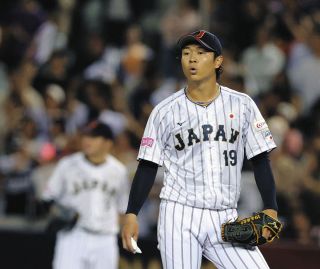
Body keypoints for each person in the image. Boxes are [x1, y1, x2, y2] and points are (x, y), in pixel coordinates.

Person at [122, 30, 280, 269]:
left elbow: (260, 159)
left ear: (218, 61)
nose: (192, 58)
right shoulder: (164, 111)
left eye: (201, 52)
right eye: (186, 53)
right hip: (179, 214)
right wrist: (132, 212)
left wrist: (271, 207)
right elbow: (147, 165)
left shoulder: (243, 104)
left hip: (225, 216)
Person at [42, 121, 129, 269]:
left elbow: (123, 208)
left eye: (94, 137)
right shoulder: (67, 164)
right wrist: (58, 213)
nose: (87, 141)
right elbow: (47, 198)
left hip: (105, 239)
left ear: (108, 143)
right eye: (86, 136)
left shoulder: (119, 171)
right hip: (73, 236)